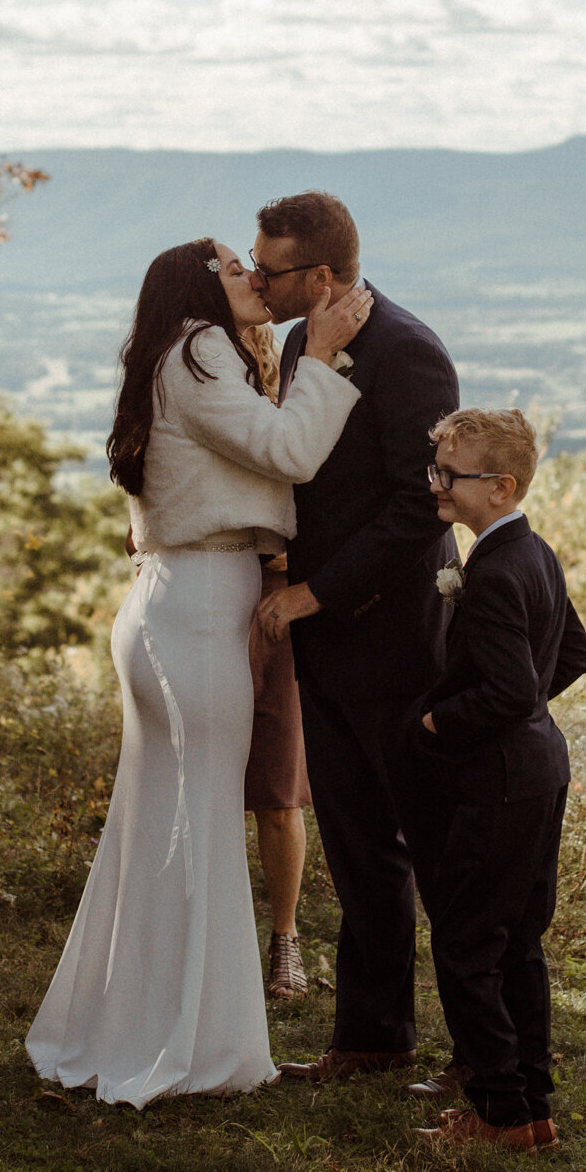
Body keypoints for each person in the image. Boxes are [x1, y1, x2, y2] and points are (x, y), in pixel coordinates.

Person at [25, 240, 368, 1107]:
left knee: (158, 828)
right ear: (197, 290)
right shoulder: (200, 347)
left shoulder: (166, 355)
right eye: (235, 269)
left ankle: (129, 1025)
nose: (255, 280)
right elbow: (289, 453)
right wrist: (321, 357)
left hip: (168, 601)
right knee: (202, 824)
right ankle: (193, 1047)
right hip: (202, 605)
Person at [251, 191, 459, 1082]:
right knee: (356, 847)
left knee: (433, 850)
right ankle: (373, 1042)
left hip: (397, 638)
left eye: (271, 270)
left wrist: (316, 595)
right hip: (329, 639)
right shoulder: (305, 343)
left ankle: (483, 1053)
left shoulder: (409, 353)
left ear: (322, 275)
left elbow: (421, 506)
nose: (258, 283)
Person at [406, 407, 586, 1153]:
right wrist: (523, 718)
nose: (436, 485)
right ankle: (530, 1111)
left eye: (450, 476)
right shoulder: (536, 553)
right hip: (538, 769)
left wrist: (438, 724)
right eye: (436, 469)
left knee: (465, 943)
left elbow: (513, 690)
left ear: (501, 486)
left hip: (498, 782)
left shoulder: (495, 568)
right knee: (515, 943)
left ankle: (496, 1113)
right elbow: (571, 654)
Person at [242, 321, 313, 1000]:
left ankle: (285, 940)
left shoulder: (292, 433)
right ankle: (211, 933)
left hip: (278, 609)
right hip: (210, 603)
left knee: (279, 793)